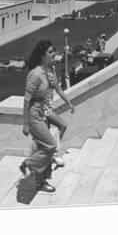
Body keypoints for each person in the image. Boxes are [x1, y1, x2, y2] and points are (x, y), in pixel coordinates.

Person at [20, 40, 75, 193]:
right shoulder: (36, 74)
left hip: (43, 111)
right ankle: (29, 165)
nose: (53, 55)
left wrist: (67, 104)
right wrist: (25, 124)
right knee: (49, 145)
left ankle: (42, 181)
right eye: (50, 52)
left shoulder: (47, 71)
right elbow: (26, 99)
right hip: (35, 115)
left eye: (53, 52)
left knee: (46, 147)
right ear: (42, 55)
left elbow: (55, 90)